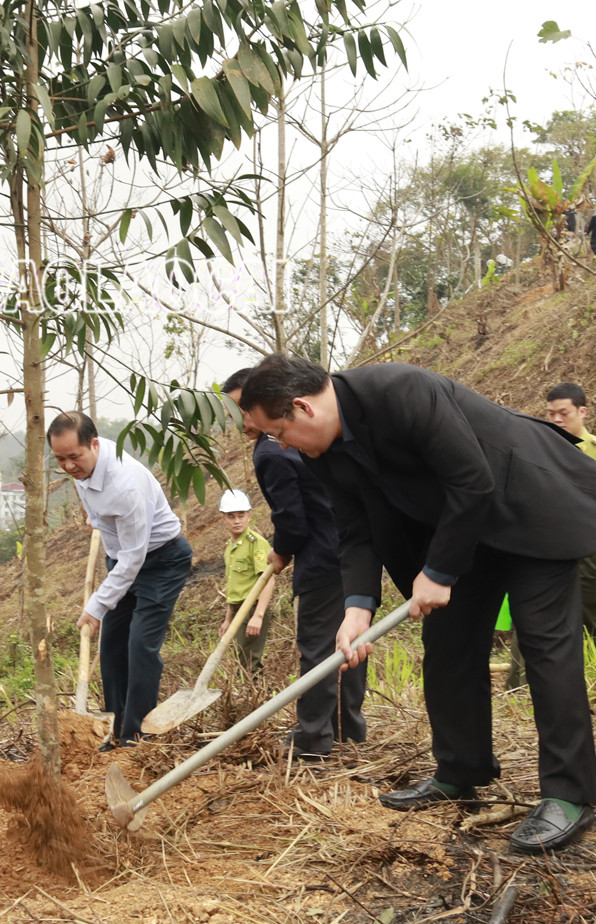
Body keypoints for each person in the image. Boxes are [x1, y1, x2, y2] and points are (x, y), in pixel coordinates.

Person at [240, 356, 596, 853]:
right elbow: (355, 528)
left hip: (532, 509)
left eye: (277, 432)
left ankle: (569, 794)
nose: (280, 445)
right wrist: (357, 607)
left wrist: (438, 572)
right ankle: (460, 768)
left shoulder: (400, 390)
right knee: (448, 646)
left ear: (302, 408)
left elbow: (472, 480)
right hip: (462, 530)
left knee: (544, 648)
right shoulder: (324, 450)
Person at [225, 368, 366, 759]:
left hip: (321, 557)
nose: (244, 419)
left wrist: (282, 549)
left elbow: (291, 519)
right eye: (236, 411)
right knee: (349, 640)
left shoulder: (272, 452)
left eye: (246, 408)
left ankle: (313, 737)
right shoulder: (293, 444)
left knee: (318, 646)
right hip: (348, 552)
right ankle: (347, 729)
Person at [51, 411, 194, 748]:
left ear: (94, 445)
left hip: (161, 560)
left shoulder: (125, 484)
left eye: (74, 456)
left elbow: (134, 556)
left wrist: (97, 605)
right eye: (60, 458)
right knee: (112, 645)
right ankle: (113, 727)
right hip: (122, 558)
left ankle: (137, 734)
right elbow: (105, 517)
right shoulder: (83, 466)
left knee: (140, 645)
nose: (69, 466)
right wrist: (96, 518)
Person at [546, 382, 596, 642]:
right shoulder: (539, 451)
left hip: (589, 560)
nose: (556, 419)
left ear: (583, 412)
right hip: (548, 553)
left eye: (563, 413)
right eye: (551, 414)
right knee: (538, 628)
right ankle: (519, 683)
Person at [217, 489, 275, 674]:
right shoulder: (230, 547)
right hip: (237, 612)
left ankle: (258, 701)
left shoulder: (255, 542)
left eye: (241, 515)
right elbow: (233, 587)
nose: (237, 521)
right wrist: (228, 619)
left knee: (249, 664)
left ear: (249, 516)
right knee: (241, 661)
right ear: (223, 519)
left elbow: (268, 579)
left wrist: (257, 616)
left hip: (252, 609)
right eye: (231, 516)